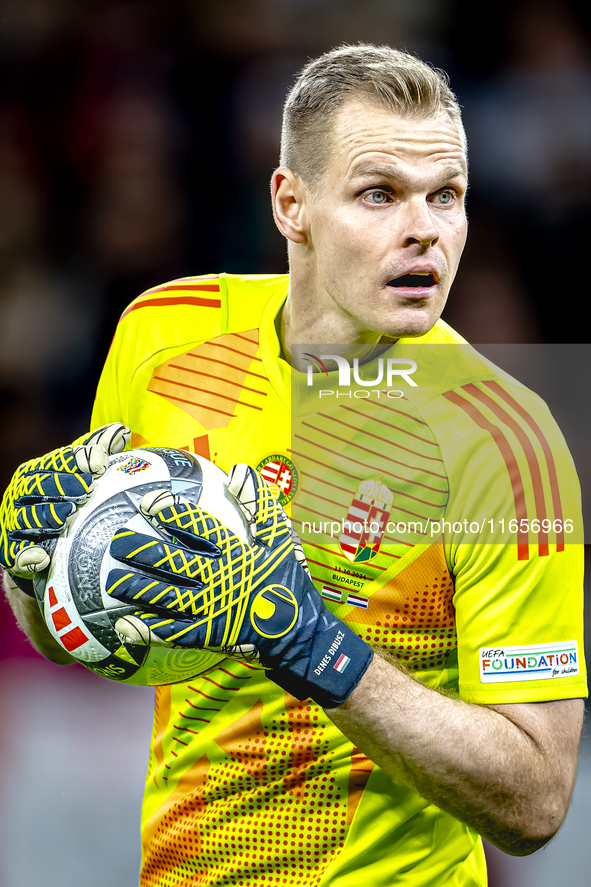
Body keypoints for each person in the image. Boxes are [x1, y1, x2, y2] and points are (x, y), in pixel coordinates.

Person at [1, 44, 586, 887]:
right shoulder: (162, 334)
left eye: (445, 196)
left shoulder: (506, 442)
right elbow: (86, 632)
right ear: (291, 204)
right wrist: (32, 568)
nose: (423, 228)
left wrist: (313, 646)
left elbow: (534, 798)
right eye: (379, 193)